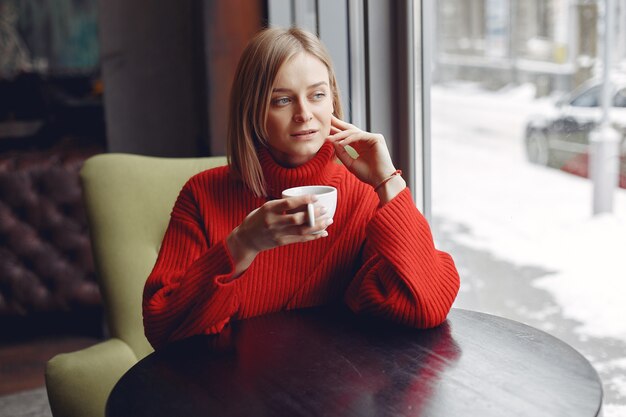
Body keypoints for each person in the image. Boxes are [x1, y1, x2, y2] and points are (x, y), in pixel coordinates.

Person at [142, 27, 460, 350]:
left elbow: (426, 305)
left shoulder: (362, 195)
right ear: (252, 112)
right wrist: (243, 244)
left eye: (317, 95)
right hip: (227, 394)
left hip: (330, 392)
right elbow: (162, 328)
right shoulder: (202, 195)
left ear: (332, 102)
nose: (304, 114)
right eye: (282, 100)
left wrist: (388, 181)